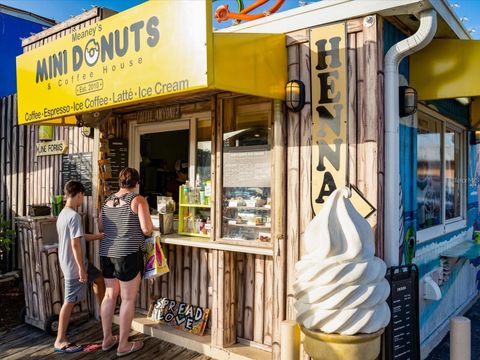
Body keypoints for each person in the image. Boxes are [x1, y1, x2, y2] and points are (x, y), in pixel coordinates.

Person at [98, 167, 153, 357]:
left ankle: (106, 339)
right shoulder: (137, 200)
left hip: (106, 253)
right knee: (128, 299)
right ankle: (123, 344)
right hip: (127, 254)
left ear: (120, 182)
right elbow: (146, 229)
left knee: (109, 296)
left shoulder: (106, 201)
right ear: (137, 182)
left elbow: (101, 227)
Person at [54, 180, 105, 353]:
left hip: (76, 262)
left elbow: (80, 237)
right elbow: (75, 245)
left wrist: (99, 236)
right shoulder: (74, 216)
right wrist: (81, 270)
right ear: (79, 194)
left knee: (98, 278)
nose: (83, 200)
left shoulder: (63, 214)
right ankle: (60, 340)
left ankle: (104, 310)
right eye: (83, 196)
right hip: (75, 266)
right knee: (69, 302)